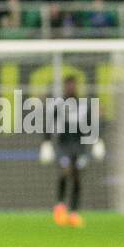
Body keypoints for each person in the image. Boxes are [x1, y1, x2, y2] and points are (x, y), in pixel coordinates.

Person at [39, 74, 104, 227]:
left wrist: (98, 141)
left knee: (77, 178)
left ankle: (74, 213)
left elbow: (92, 124)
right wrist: (46, 143)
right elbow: (49, 123)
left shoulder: (84, 105)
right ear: (64, 87)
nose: (70, 88)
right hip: (63, 146)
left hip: (80, 146)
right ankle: (60, 206)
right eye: (68, 85)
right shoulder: (59, 105)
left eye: (73, 85)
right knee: (65, 171)